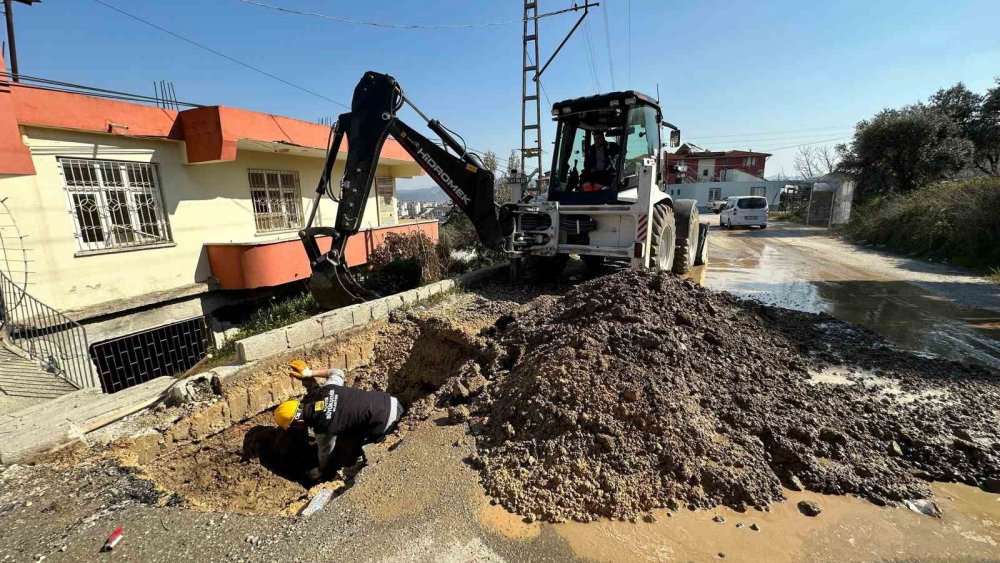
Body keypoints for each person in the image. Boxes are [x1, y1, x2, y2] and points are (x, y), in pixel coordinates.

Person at [273, 360, 404, 481]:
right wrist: (309, 373)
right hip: (391, 401)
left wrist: (320, 471)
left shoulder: (322, 429)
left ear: (299, 422)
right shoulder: (326, 390)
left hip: (386, 422)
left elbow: (325, 455)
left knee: (352, 448)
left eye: (292, 426)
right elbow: (338, 373)